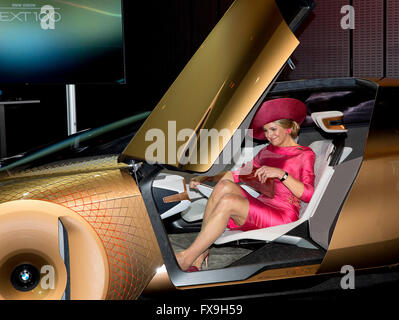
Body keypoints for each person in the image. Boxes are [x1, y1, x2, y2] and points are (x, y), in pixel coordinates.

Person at [175, 98, 316, 272]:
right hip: (264, 204)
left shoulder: (304, 154)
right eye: (265, 130)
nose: (269, 135)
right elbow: (237, 174)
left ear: (288, 128)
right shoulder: (266, 151)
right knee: (224, 186)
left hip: (283, 215)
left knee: (228, 201)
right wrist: (205, 178)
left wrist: (282, 174)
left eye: (273, 129)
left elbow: (309, 194)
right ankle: (201, 252)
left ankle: (187, 257)